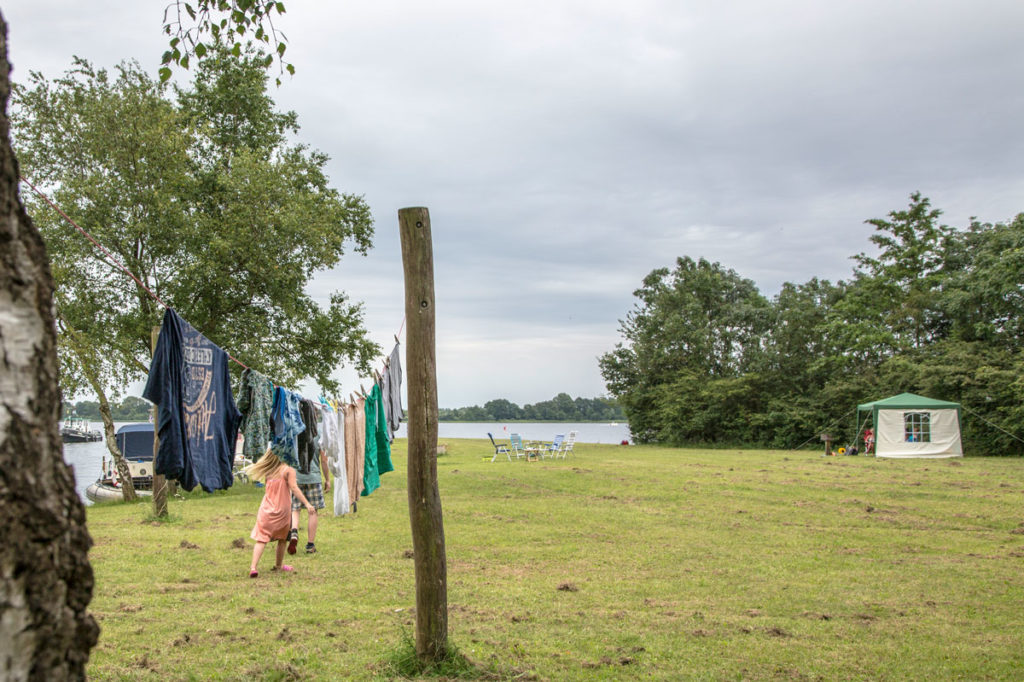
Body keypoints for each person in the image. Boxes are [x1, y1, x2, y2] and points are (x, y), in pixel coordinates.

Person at [245, 447, 314, 577]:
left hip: (266, 510)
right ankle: (278, 565)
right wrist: (307, 503)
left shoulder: (269, 471)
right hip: (283, 511)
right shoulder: (288, 470)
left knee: (261, 539)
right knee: (282, 539)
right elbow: (294, 488)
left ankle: (253, 567)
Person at [288, 446, 330, 554]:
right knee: (313, 511)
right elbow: (324, 460)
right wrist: (327, 479)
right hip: (313, 477)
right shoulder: (318, 434)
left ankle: (294, 532)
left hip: (296, 477)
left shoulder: (295, 432)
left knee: (295, 509)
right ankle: (310, 545)